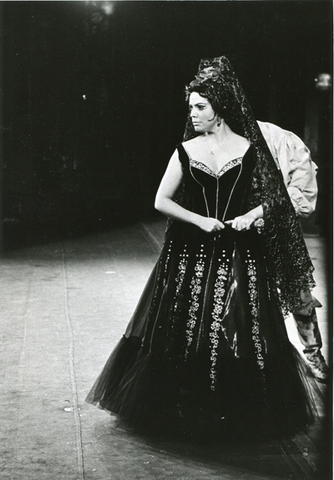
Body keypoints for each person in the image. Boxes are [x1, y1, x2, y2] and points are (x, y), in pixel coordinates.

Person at [86, 56, 319, 442]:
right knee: (184, 327)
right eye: (191, 107)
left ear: (220, 110)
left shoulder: (249, 149)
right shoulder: (185, 150)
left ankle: (233, 409)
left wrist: (250, 216)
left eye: (200, 107)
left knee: (240, 329)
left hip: (240, 252)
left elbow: (278, 198)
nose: (192, 113)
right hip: (189, 252)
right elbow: (162, 200)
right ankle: (182, 409)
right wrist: (199, 220)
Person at [258, 121, 328, 382]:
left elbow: (303, 189)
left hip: (278, 228)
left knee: (298, 293)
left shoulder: (276, 137)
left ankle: (312, 352)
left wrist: (272, 209)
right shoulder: (210, 137)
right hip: (236, 231)